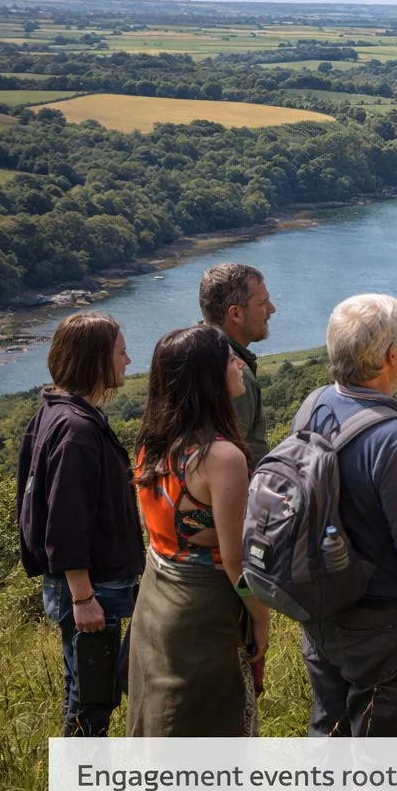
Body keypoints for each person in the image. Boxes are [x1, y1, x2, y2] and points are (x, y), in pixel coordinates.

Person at [125, 325, 270, 736]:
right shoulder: (222, 458)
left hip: (155, 601)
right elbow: (235, 564)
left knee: (163, 721)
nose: (240, 365)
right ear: (209, 377)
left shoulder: (152, 443)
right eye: (229, 360)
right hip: (204, 614)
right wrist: (261, 618)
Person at [296, 294, 397, 737]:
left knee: (327, 740)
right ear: (391, 355)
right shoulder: (396, 437)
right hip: (378, 626)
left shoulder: (314, 403)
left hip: (320, 610)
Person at [15, 312, 143, 736]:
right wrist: (83, 595)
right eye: (121, 352)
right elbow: (66, 519)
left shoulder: (55, 414)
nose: (128, 360)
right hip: (92, 589)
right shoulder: (76, 428)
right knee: (91, 700)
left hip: (89, 584)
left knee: (87, 690)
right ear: (95, 360)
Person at [199, 262, 275, 468]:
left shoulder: (188, 354)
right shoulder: (236, 376)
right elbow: (223, 463)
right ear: (236, 314)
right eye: (263, 303)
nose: (271, 309)